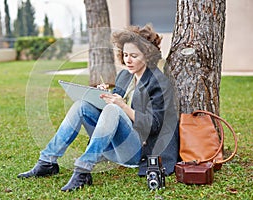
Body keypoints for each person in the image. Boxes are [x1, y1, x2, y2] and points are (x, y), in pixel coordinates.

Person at [17, 24, 179, 192]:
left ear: (147, 55)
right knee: (81, 105)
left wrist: (121, 105)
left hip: (139, 151)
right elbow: (114, 110)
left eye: (134, 56)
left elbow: (154, 126)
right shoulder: (125, 76)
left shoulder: (157, 82)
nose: (128, 60)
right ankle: (47, 162)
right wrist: (104, 96)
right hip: (115, 146)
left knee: (115, 109)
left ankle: (83, 170)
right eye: (125, 55)